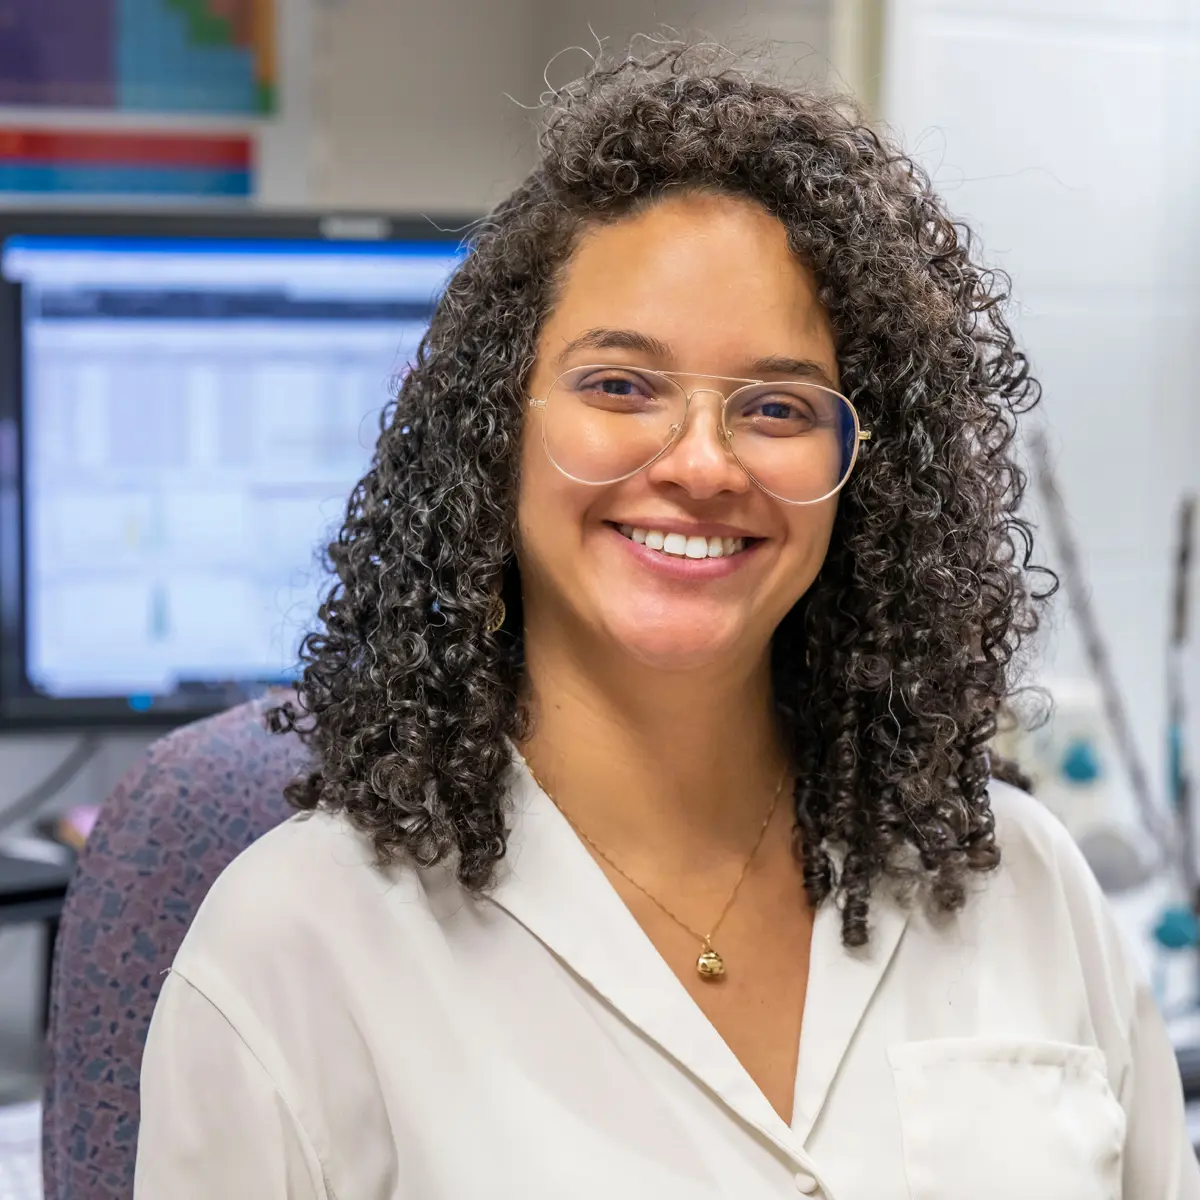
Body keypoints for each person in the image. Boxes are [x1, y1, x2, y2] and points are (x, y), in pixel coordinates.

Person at [133, 47, 1200, 1199]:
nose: (701, 464)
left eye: (779, 405)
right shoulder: (296, 946)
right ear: (495, 432)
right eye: (620, 386)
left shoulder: (1024, 882)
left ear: (864, 478)